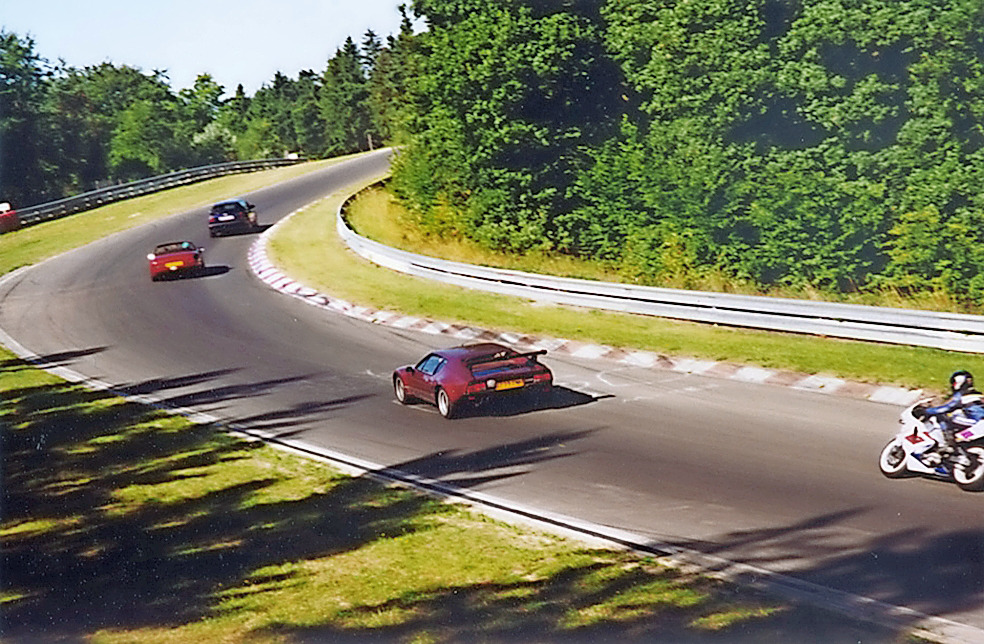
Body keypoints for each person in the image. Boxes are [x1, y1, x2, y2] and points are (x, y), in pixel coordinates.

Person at [916, 370, 984, 462]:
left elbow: (945, 408)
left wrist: (926, 411)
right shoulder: (979, 395)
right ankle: (957, 447)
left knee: (945, 416)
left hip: (978, 423)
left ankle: (946, 443)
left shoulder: (962, 395)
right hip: (977, 425)